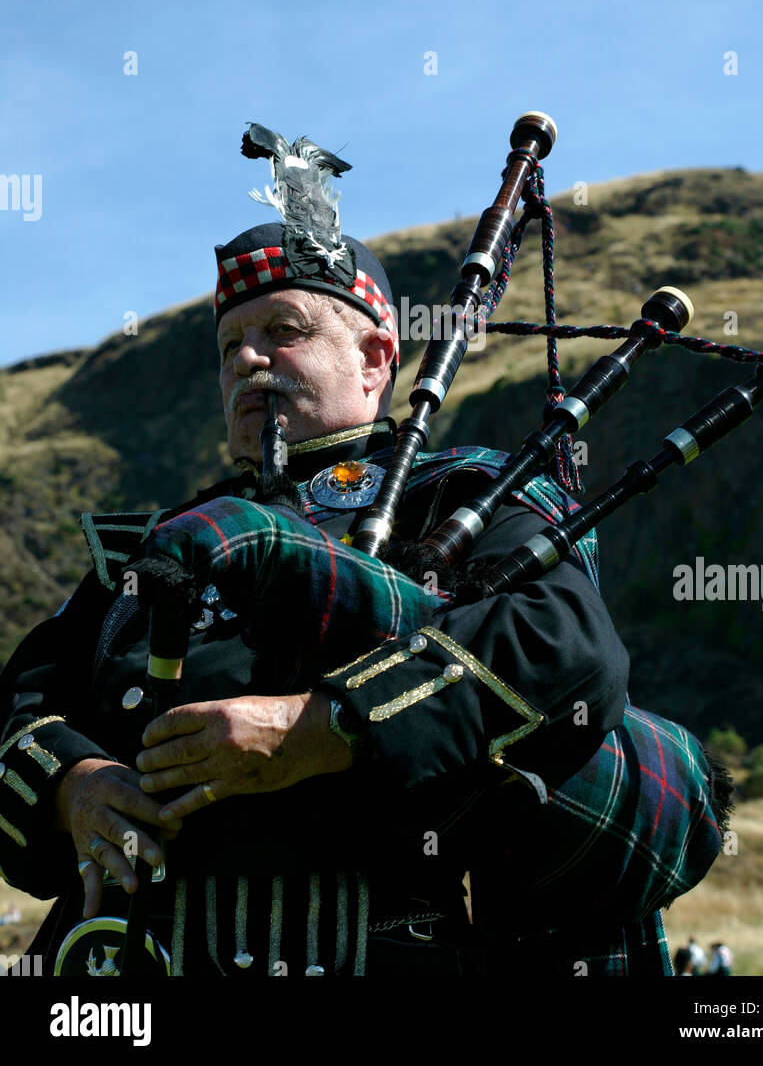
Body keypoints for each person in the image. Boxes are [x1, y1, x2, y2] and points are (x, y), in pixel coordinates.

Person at [0, 128, 725, 976]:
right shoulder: (152, 545)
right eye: (229, 346)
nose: (249, 360)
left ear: (377, 358)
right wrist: (74, 784)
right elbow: (22, 703)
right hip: (131, 967)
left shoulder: (464, 490)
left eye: (284, 329)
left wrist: (318, 728)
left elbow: (561, 646)